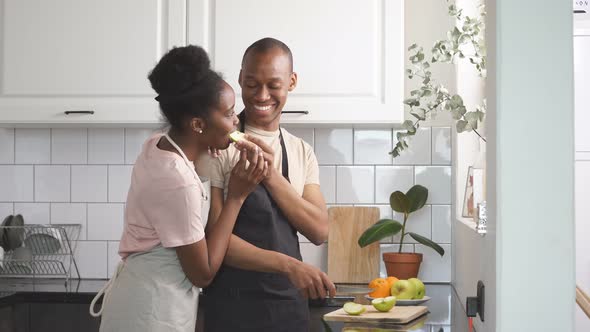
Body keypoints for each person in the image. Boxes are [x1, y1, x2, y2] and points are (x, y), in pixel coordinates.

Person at [89, 45, 268, 332]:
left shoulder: (158, 145)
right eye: (229, 113)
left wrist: (207, 145)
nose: (237, 120)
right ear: (197, 124)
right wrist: (237, 196)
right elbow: (203, 273)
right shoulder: (176, 180)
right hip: (151, 312)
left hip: (144, 296)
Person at [202, 37, 336, 332]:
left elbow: (319, 230)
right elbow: (214, 239)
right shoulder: (215, 146)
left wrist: (270, 175)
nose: (262, 95)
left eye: (273, 85)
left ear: (291, 82)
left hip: (289, 307)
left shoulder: (301, 151)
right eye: (251, 84)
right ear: (239, 79)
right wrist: (290, 265)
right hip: (231, 308)